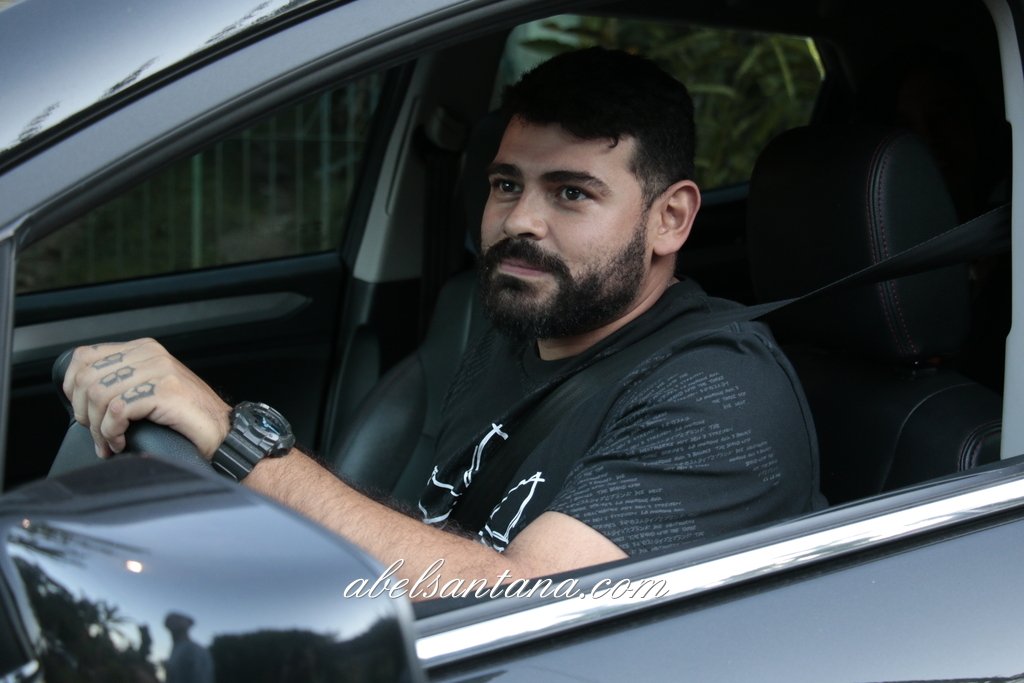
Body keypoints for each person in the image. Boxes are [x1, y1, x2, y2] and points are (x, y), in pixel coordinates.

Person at [63, 48, 822, 596]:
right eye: (506, 184)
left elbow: (527, 604)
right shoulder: (512, 328)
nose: (518, 221)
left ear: (671, 218)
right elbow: (424, 533)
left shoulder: (720, 395)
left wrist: (233, 439)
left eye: (571, 193)